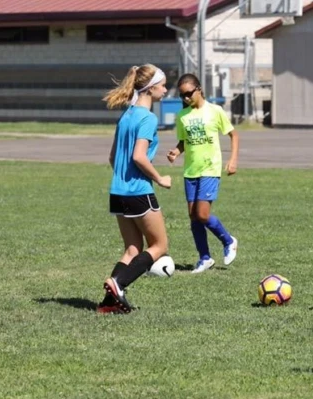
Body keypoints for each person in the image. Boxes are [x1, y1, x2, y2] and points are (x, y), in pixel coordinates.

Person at [98, 64, 171, 314]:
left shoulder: (127, 114)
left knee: (132, 249)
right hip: (138, 191)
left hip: (117, 192)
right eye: (163, 84)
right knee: (160, 246)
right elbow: (139, 157)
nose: (166, 89)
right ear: (150, 89)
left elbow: (112, 156)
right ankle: (118, 283)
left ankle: (109, 303)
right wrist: (160, 178)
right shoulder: (148, 118)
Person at [167, 74, 239, 273]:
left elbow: (233, 135)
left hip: (210, 169)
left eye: (189, 93)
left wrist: (233, 160)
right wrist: (175, 151)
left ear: (198, 89)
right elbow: (184, 142)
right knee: (193, 216)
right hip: (191, 170)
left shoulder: (215, 111)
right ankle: (205, 257)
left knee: (202, 213)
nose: (186, 98)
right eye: (182, 96)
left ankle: (229, 240)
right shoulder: (182, 116)